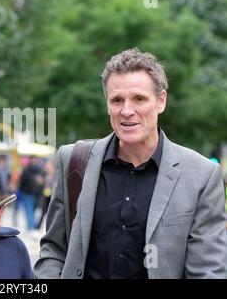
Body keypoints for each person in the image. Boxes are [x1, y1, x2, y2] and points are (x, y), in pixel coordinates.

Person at [34, 48, 227, 279]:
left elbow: (207, 271)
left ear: (161, 101)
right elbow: (54, 250)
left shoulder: (201, 176)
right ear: (107, 105)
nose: (127, 111)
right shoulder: (73, 160)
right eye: (117, 100)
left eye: (139, 99)